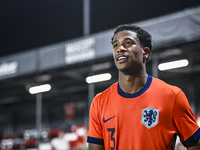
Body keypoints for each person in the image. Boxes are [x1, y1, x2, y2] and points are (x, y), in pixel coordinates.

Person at [87, 24, 200, 150]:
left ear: (145, 53)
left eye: (128, 43)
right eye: (116, 45)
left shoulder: (172, 96)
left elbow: (195, 144)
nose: (120, 49)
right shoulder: (99, 102)